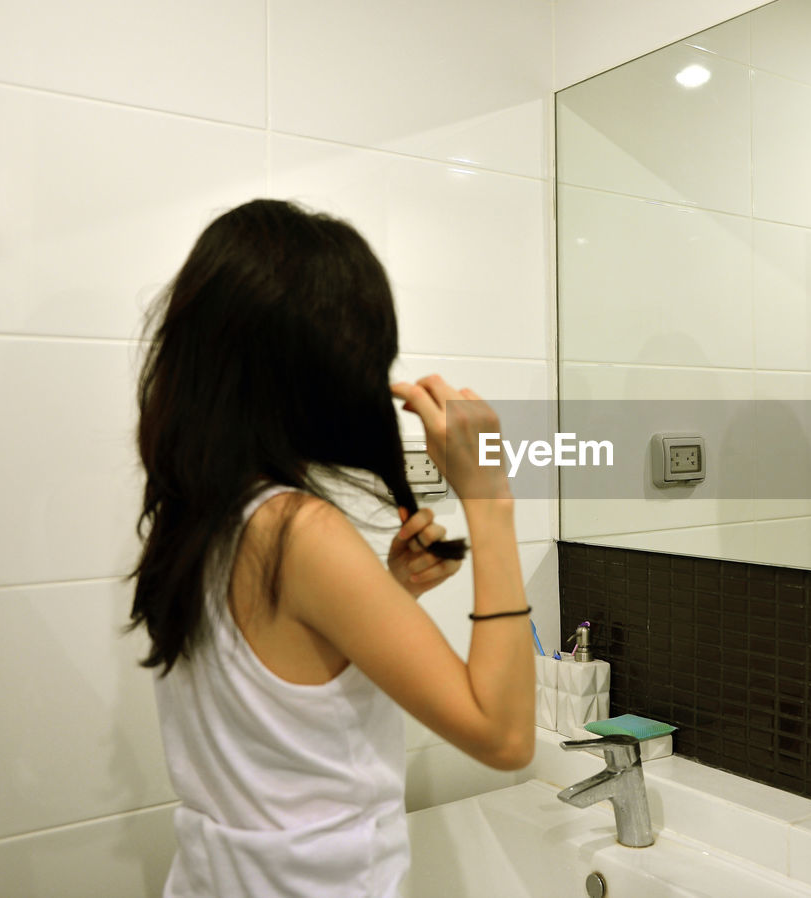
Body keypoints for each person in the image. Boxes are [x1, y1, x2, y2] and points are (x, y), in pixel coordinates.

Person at [128, 199, 534, 897]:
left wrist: (386, 594)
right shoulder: (298, 531)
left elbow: (273, 703)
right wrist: (491, 504)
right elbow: (504, 738)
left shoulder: (201, 515)